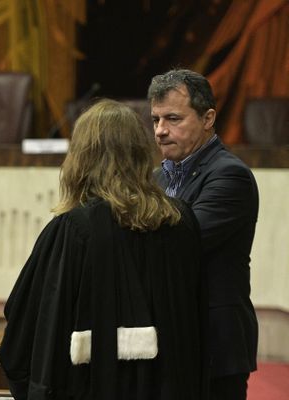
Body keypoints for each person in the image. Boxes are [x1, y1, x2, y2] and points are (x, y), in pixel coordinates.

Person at [0, 99, 207, 400]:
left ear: (81, 157)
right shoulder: (181, 221)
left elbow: (25, 333)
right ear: (141, 152)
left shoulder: (72, 230)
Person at [148, 69, 259, 400]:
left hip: (214, 344)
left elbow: (180, 241)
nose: (160, 131)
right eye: (155, 120)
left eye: (172, 119)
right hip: (170, 339)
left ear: (208, 117)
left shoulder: (230, 176)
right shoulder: (156, 179)